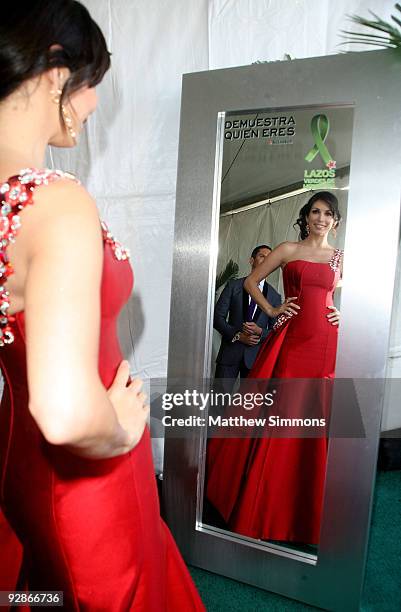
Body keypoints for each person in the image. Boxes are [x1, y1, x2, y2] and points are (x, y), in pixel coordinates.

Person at [0, 2, 204, 610]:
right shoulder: (55, 201)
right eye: (95, 86)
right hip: (88, 474)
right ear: (56, 70)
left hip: (20, 458)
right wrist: (120, 432)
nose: (93, 108)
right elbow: (65, 414)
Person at [206, 191, 342, 545]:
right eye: (315, 211)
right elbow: (250, 282)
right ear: (306, 216)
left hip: (326, 341)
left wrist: (345, 313)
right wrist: (270, 310)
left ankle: (309, 510)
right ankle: (262, 504)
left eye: (328, 213)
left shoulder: (340, 257)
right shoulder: (287, 249)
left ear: (335, 221)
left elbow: (354, 294)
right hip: (292, 340)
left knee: (316, 414)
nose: (321, 218)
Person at [214, 245, 281, 393]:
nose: (266, 260)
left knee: (247, 406)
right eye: (262, 256)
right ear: (251, 260)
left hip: (255, 359)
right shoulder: (233, 286)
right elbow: (217, 318)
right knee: (218, 402)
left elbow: (275, 331)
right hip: (229, 355)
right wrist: (238, 335)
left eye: (270, 258)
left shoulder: (274, 296)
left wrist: (260, 332)